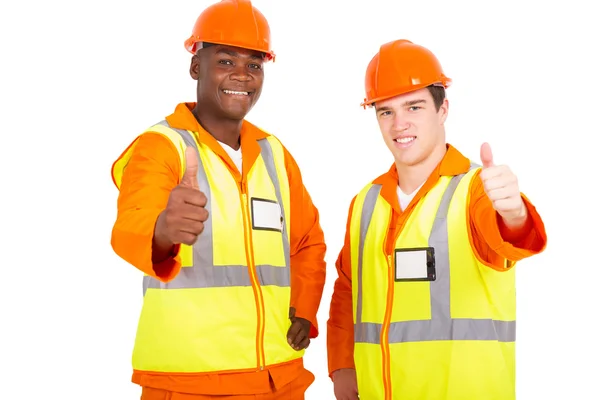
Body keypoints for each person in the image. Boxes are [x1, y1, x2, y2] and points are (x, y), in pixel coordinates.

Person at [109, 1, 327, 399]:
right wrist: (161, 231)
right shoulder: (163, 146)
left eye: (255, 65)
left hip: (278, 377)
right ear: (196, 67)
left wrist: (305, 307)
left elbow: (307, 241)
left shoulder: (274, 154)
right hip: (191, 382)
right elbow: (130, 226)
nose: (242, 75)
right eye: (226, 61)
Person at [326, 39, 547, 400]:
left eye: (414, 106)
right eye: (386, 112)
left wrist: (515, 213)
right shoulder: (365, 202)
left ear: (443, 110)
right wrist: (342, 365)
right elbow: (349, 287)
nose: (400, 124)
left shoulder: (476, 190)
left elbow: (511, 237)